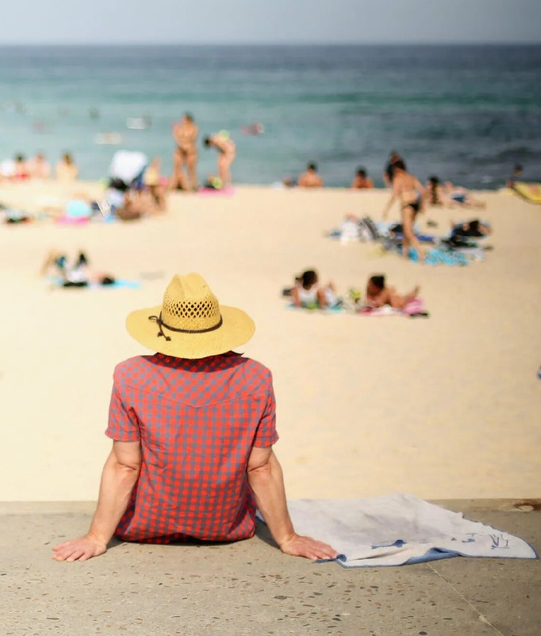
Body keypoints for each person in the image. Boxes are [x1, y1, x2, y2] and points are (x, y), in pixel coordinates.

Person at [52, 273, 336, 562]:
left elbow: (125, 465)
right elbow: (260, 468)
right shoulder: (257, 378)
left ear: (162, 327)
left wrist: (97, 537)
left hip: (143, 526)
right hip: (226, 528)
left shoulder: (130, 376)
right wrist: (287, 537)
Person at [382, 159, 428, 260]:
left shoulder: (397, 179)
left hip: (406, 205)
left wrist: (386, 209)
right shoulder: (411, 177)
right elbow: (423, 191)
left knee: (408, 232)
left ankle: (421, 253)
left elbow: (394, 195)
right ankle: (405, 255)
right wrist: (422, 205)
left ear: (397, 169)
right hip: (415, 204)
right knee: (406, 231)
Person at [171, 113, 198, 191]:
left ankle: (193, 185)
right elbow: (176, 137)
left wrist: (184, 144)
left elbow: (193, 137)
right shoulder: (180, 127)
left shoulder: (193, 127)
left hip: (190, 150)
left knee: (191, 168)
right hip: (180, 149)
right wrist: (175, 130)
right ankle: (176, 184)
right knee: (177, 168)